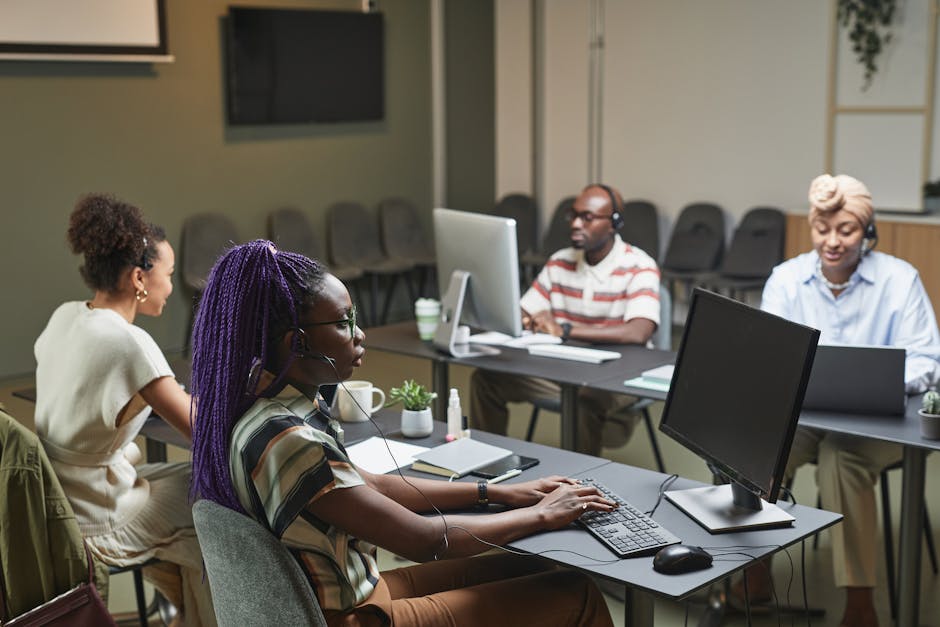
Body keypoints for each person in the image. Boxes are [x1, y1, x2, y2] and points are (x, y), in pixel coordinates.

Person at [188, 240, 615, 627]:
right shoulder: (291, 441)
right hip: (354, 616)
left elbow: (369, 484)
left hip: (359, 593)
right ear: (296, 344)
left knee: (542, 572)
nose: (359, 334)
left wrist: (498, 492)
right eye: (343, 323)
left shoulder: (270, 407)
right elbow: (425, 539)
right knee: (576, 594)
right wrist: (543, 514)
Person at [742, 174, 940, 627]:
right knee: (757, 447)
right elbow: (771, 356)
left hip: (882, 424)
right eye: (821, 229)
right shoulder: (787, 279)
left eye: (846, 230)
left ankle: (859, 600)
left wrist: (889, 381)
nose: (831, 242)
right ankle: (753, 569)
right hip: (806, 416)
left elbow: (928, 357)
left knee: (840, 458)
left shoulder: (899, 279)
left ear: (868, 233)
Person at [33, 194, 216, 626]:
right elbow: (203, 430)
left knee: (197, 483)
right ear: (139, 277)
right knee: (220, 503)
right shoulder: (129, 344)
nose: (171, 287)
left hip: (58, 500)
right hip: (97, 516)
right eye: (168, 275)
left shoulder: (66, 316)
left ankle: (184, 616)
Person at [470, 184, 661, 454]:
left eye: (587, 217)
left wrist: (564, 329)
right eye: (573, 215)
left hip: (619, 376)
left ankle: (581, 486)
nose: (575, 224)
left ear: (614, 224)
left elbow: (638, 332)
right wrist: (530, 319)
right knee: (486, 380)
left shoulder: (640, 265)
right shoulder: (559, 262)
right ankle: (486, 461)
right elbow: (524, 311)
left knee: (584, 397)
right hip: (562, 370)